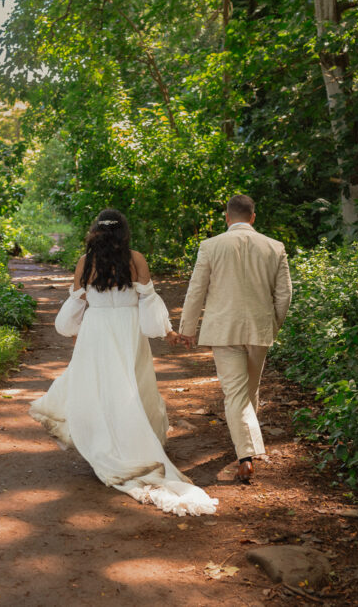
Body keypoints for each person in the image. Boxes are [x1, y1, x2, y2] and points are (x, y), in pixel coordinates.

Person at [29, 209, 218, 516]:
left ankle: (107, 447)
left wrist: (76, 331)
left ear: (95, 231)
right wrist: (166, 332)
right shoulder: (136, 259)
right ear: (124, 232)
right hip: (128, 331)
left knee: (100, 389)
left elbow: (71, 312)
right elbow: (148, 301)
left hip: (97, 331)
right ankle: (131, 444)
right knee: (133, 387)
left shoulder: (84, 262)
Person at [177, 194, 292, 484]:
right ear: (253, 217)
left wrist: (187, 328)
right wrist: (272, 325)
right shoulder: (274, 247)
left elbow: (196, 290)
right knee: (248, 391)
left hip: (224, 329)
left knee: (238, 394)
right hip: (260, 328)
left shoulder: (211, 246)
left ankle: (246, 456)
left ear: (227, 218)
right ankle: (247, 453)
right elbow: (284, 295)